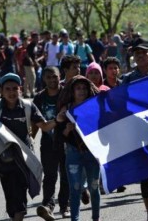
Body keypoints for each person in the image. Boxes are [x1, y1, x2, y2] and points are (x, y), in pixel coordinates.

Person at [0, 73, 64, 221]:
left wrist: (57, 120)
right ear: (1, 91)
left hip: (24, 157)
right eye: (7, 89)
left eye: (15, 88)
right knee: (10, 199)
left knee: (20, 199)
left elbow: (44, 126)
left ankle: (19, 213)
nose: (11, 92)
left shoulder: (27, 106)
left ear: (20, 89)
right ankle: (15, 214)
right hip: (4, 158)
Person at [121, 40, 148, 221]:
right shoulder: (128, 79)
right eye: (136, 53)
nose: (139, 56)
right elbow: (119, 102)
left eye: (143, 52)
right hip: (138, 132)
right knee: (145, 175)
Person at [56, 76, 102, 221]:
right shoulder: (67, 108)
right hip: (73, 154)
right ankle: (75, 219)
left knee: (94, 188)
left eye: (84, 88)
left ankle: (96, 218)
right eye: (78, 88)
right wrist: (67, 128)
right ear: (72, 91)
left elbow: (101, 128)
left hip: (92, 153)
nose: (81, 91)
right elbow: (59, 131)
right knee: (75, 189)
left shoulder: (94, 105)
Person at [32, 67, 70, 220]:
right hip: (48, 143)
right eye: (48, 77)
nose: (52, 80)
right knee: (50, 176)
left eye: (54, 77)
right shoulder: (39, 98)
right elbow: (35, 122)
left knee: (66, 175)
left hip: (67, 142)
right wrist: (30, 138)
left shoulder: (66, 94)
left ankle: (64, 206)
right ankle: (48, 206)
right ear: (44, 79)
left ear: (59, 76)